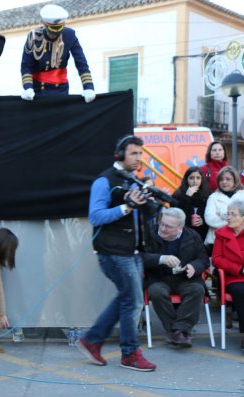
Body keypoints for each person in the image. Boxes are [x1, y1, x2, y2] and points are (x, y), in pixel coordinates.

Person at [76, 135, 156, 372]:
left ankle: (92, 340)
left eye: (141, 154)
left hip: (132, 250)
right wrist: (126, 207)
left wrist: (149, 202)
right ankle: (130, 354)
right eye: (134, 153)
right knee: (133, 301)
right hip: (113, 251)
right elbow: (96, 216)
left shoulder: (134, 180)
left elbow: (146, 215)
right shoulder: (104, 181)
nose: (139, 158)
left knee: (128, 298)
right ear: (119, 155)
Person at [142, 207, 209, 347]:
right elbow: (140, 257)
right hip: (159, 277)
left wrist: (194, 266)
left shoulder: (192, 236)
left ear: (180, 228)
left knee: (197, 289)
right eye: (162, 223)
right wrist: (161, 258)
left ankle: (179, 331)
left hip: (185, 278)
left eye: (168, 226)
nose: (163, 228)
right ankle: (178, 331)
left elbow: (203, 259)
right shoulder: (150, 233)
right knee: (156, 292)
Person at [20, 4, 95, 102]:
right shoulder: (33, 37)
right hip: (37, 90)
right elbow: (26, 66)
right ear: (44, 24)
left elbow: (82, 63)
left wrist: (88, 87)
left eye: (58, 31)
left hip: (61, 90)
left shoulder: (69, 35)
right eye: (52, 31)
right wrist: (28, 87)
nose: (54, 34)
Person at [212, 198, 244, 352]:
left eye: (233, 214)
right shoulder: (221, 234)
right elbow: (217, 260)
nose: (229, 217)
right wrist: (239, 269)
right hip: (233, 276)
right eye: (228, 214)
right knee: (241, 290)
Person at [204, 166, 244, 248]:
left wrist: (223, 217)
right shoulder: (213, 197)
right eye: (221, 179)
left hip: (240, 239)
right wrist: (235, 222)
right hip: (216, 240)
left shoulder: (242, 195)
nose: (224, 182)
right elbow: (210, 219)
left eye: (228, 179)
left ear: (235, 181)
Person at [172, 166, 212, 244]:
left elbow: (210, 213)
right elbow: (177, 212)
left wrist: (203, 221)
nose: (195, 181)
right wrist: (187, 196)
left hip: (202, 232)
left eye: (198, 178)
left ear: (202, 179)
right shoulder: (178, 194)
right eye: (191, 178)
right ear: (186, 180)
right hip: (184, 231)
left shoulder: (208, 194)